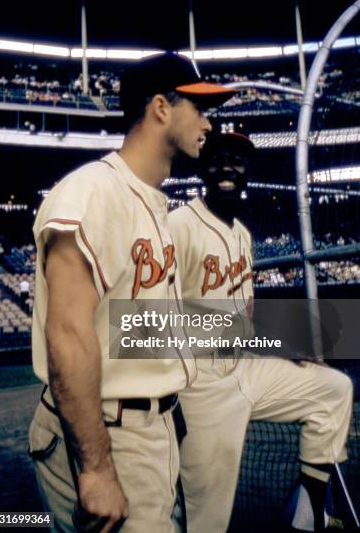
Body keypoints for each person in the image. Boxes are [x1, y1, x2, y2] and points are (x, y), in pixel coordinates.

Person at [28, 53, 235, 532]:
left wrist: (303, 334)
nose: (208, 122)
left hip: (148, 426)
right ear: (161, 107)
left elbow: (128, 330)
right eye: (199, 108)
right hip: (106, 430)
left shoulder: (149, 202)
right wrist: (98, 468)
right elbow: (69, 334)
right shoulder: (94, 191)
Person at [168, 132, 353, 533]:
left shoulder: (243, 236)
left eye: (237, 159)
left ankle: (308, 518)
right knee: (206, 520)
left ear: (247, 171)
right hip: (199, 384)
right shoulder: (177, 226)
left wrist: (282, 345)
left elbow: (244, 320)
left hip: (244, 367)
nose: (227, 167)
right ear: (203, 167)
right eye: (217, 158)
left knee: (333, 390)